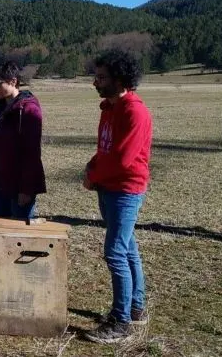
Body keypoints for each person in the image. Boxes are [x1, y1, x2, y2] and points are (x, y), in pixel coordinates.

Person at [83, 49, 153, 344]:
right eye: (95, 76)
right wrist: (92, 164)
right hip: (109, 188)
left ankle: (120, 321)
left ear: (119, 78)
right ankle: (136, 307)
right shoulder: (109, 108)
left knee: (115, 252)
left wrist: (92, 175)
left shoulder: (134, 111)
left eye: (102, 77)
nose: (96, 83)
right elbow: (106, 149)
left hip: (125, 190)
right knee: (127, 248)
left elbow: (123, 159)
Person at [0, 61, 46, 219]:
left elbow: (32, 152)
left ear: (13, 81)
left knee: (20, 233)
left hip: (20, 184)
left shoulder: (28, 110)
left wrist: (26, 189)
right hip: (2, 181)